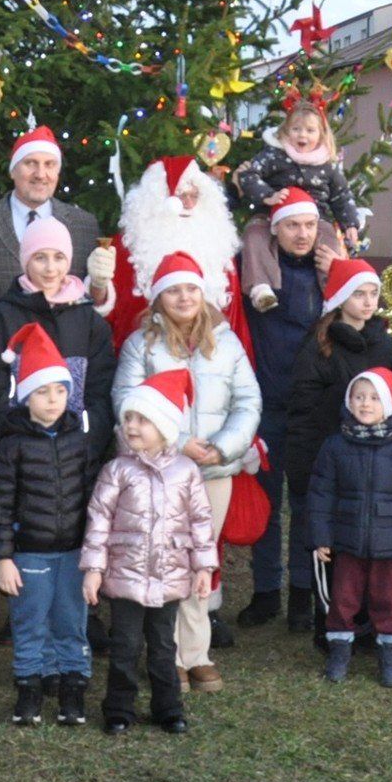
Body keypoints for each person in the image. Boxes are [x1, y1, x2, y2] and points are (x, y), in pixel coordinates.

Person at [110, 252, 260, 693]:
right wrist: (176, 445)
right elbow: (125, 402)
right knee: (164, 560)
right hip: (159, 474)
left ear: (203, 293)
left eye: (191, 288)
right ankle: (165, 654)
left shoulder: (226, 343)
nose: (184, 297)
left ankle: (197, 653)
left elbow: (248, 402)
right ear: (158, 298)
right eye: (174, 289)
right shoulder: (143, 345)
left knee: (201, 558)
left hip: (213, 473)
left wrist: (223, 447)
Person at [83, 370, 217, 735]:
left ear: (165, 425)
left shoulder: (187, 471)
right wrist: (94, 569)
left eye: (142, 419)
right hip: (125, 575)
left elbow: (201, 521)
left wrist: (204, 568)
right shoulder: (117, 470)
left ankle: (168, 707)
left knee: (162, 646)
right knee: (124, 645)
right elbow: (99, 521)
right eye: (128, 418)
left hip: (170, 574)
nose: (132, 425)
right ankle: (119, 708)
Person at [283, 257, 392, 641]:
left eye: (373, 294)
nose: (367, 302)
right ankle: (321, 616)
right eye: (359, 294)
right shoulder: (319, 345)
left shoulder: (383, 343)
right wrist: (302, 467)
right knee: (321, 541)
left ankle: (360, 617)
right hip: (326, 458)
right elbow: (303, 409)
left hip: (370, 459)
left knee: (357, 541)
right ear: (341, 297)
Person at [0, 323, 94, 728]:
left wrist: (95, 554)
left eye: (60, 391)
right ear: (26, 396)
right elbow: (0, 506)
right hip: (29, 552)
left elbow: (93, 501)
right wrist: (4, 557)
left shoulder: (80, 441)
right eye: (42, 392)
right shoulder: (12, 444)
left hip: (74, 552)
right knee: (29, 623)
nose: (53, 401)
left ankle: (72, 689)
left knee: (71, 622)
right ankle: (29, 688)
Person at [235, 188, 329, 633]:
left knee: (307, 504)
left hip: (312, 409)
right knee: (267, 503)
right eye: (292, 225)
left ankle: (301, 596)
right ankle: (266, 591)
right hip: (268, 404)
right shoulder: (257, 271)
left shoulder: (325, 274)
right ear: (276, 230)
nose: (302, 234)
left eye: (309, 225)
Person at [307, 366, 392, 690]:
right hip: (347, 544)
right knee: (342, 601)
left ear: (389, 403)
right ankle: (338, 655)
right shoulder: (334, 446)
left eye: (374, 397)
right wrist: (321, 537)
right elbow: (321, 494)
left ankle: (390, 661)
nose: (365, 403)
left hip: (388, 548)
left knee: (391, 603)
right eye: (359, 396)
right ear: (349, 401)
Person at [0, 214, 117, 468]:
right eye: (40, 257)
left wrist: (85, 442)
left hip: (77, 458)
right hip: (20, 457)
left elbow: (101, 390)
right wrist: (21, 442)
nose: (51, 268)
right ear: (26, 261)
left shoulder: (88, 319)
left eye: (58, 257)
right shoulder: (3, 316)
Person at [106, 155, 254, 357]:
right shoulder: (127, 247)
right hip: (148, 356)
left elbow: (234, 316)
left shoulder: (218, 246)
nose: (189, 204)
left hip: (211, 357)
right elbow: (112, 314)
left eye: (195, 196)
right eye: (181, 195)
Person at [0, 126, 104, 320]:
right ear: (13, 171)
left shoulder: (83, 226)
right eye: (30, 163)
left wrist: (100, 285)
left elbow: (92, 304)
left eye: (49, 164)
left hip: (64, 347)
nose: (40, 174)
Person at [232, 100, 356, 312]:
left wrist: (350, 224)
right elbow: (248, 175)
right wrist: (268, 195)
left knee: (328, 243)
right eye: (296, 129)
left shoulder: (327, 164)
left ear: (321, 134)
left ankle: (332, 292)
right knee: (254, 235)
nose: (302, 136)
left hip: (317, 219)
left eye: (310, 130)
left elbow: (342, 195)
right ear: (285, 132)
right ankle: (260, 287)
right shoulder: (274, 155)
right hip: (272, 215)